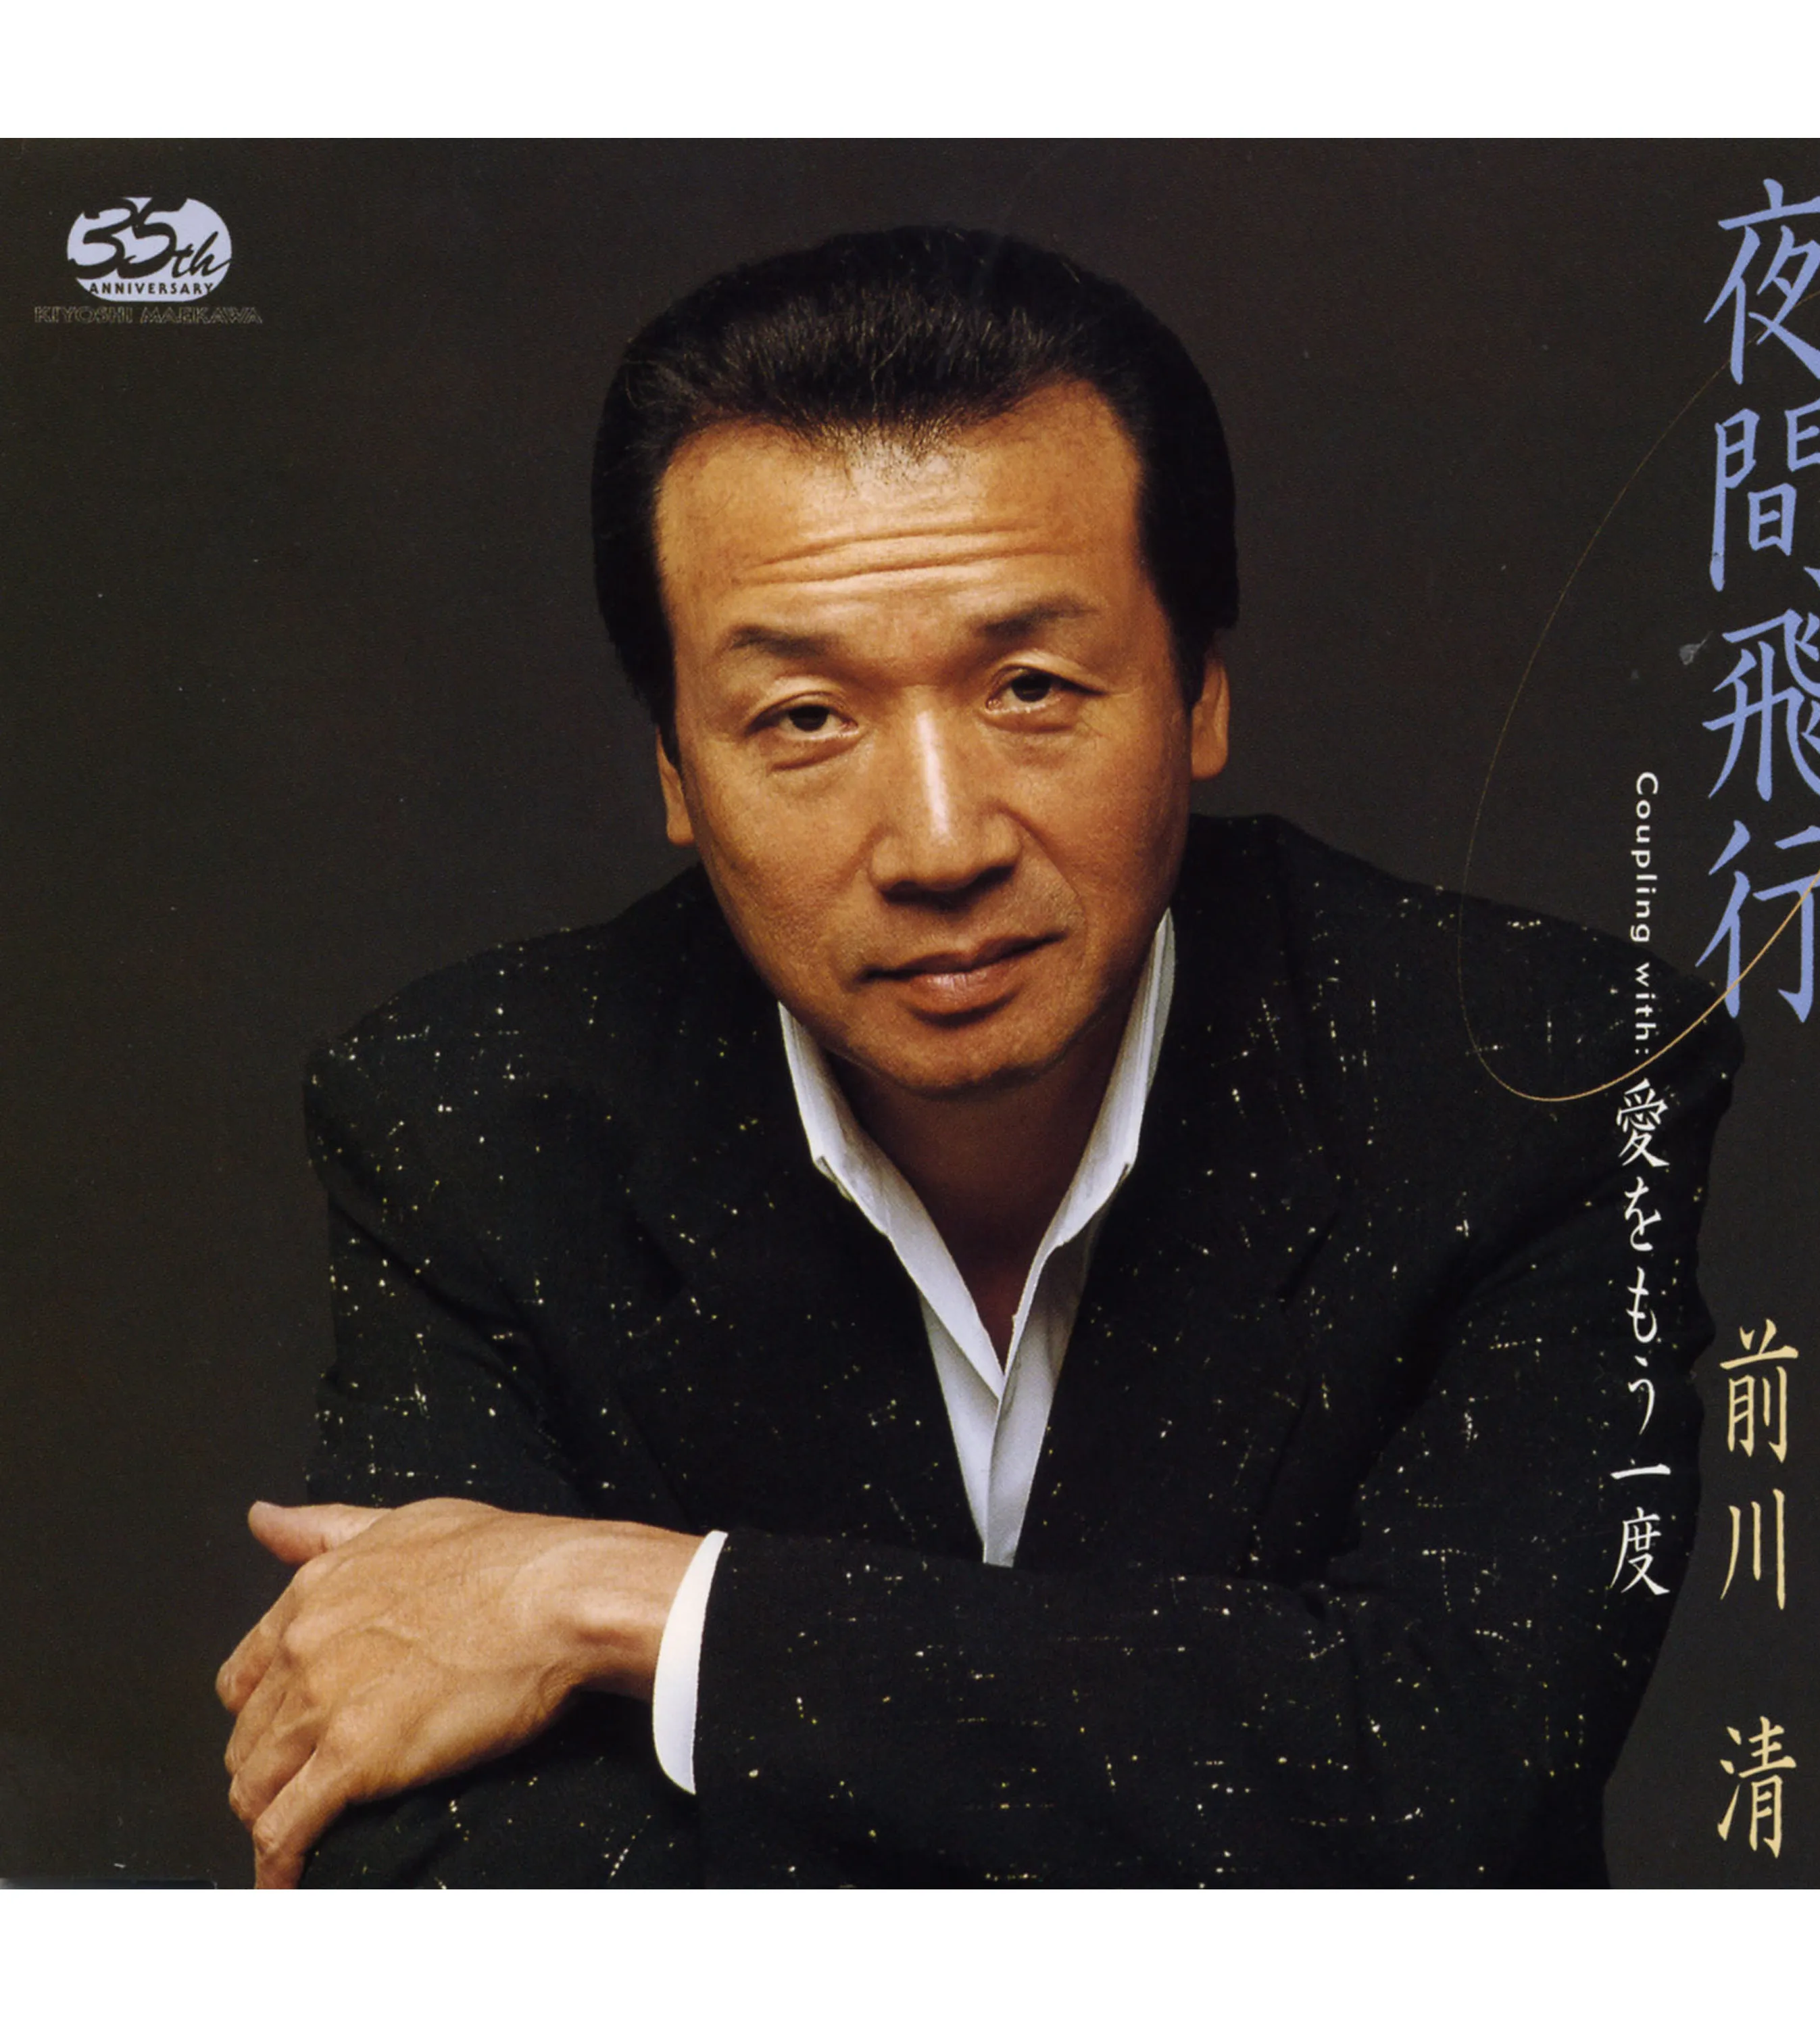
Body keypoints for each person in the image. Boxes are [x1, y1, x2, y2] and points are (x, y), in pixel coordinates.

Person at [215, 226, 1740, 1888]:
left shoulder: (1542, 1077)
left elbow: (1439, 1780)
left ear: (1199, 694)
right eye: (805, 718)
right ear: (674, 770)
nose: (940, 844)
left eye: (1029, 686)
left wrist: (639, 1604)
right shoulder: (473, 1117)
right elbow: (432, 1851)